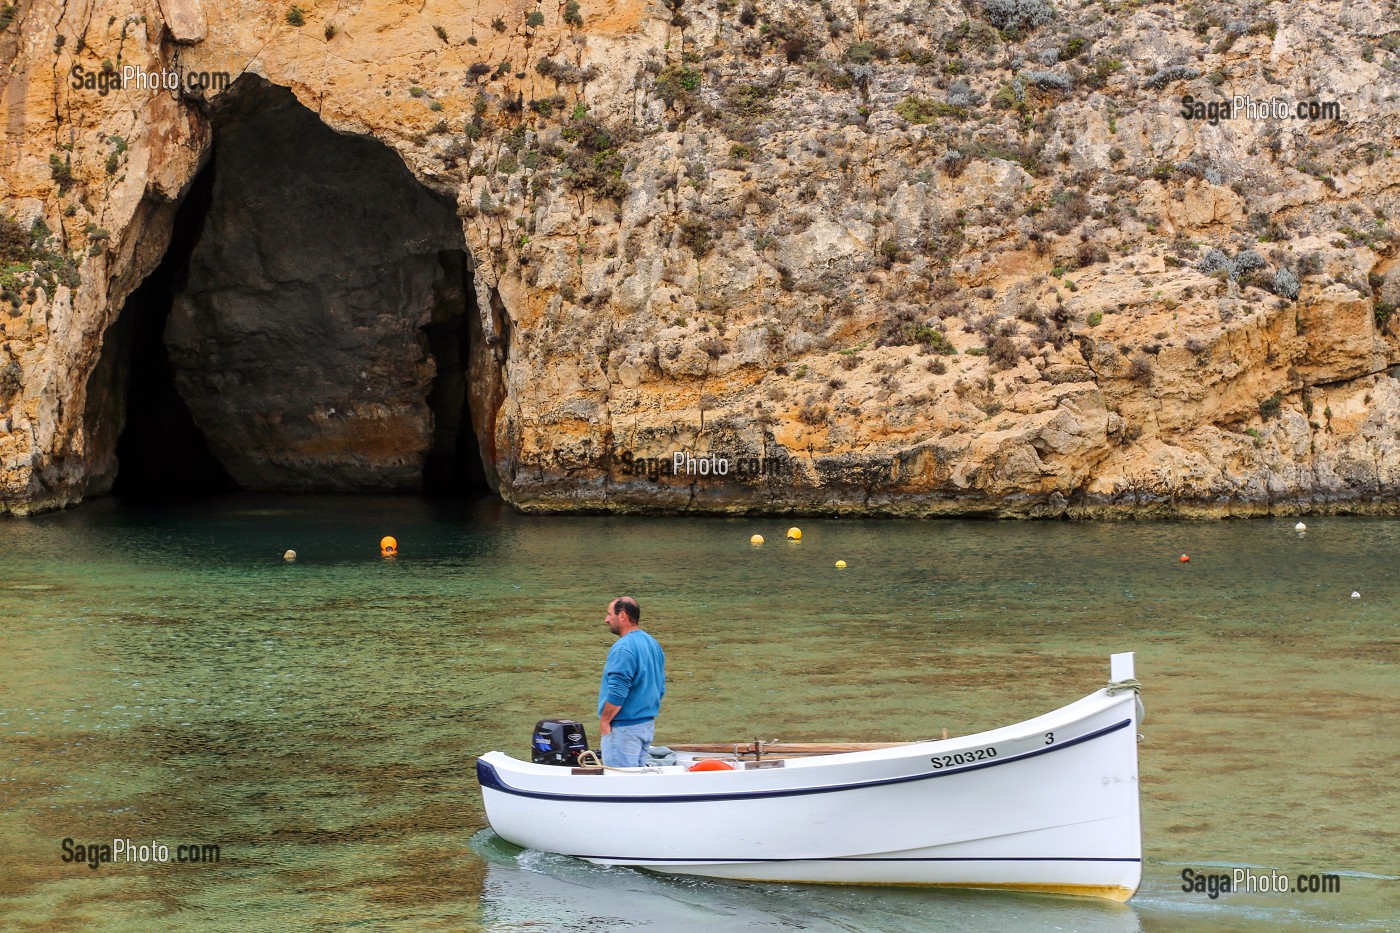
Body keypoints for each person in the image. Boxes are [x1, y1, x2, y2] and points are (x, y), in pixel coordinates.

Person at [597, 596, 666, 768]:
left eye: (609, 614)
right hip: (646, 726)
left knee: (621, 786)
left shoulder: (623, 648)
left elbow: (617, 692)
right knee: (638, 785)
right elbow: (660, 687)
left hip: (624, 729)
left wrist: (605, 722)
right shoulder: (652, 643)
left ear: (622, 616)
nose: (606, 620)